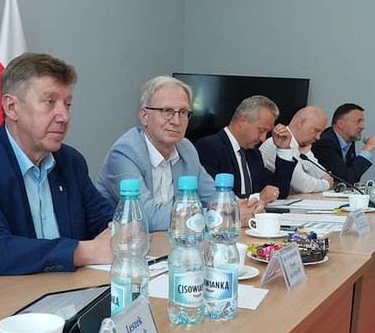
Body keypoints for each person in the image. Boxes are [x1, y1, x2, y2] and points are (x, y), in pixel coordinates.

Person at [0, 52, 115, 284]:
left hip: (63, 290)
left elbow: (107, 221)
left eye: (67, 104)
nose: (64, 116)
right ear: (11, 107)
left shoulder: (70, 162)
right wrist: (85, 251)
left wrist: (123, 230)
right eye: (50, 102)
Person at [96, 76, 263, 231]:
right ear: (144, 116)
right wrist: (222, 215)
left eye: (183, 112)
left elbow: (213, 196)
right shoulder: (125, 153)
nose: (176, 121)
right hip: (127, 245)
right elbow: (146, 217)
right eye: (166, 111)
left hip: (175, 240)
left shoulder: (186, 148)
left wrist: (244, 207)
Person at [195, 95, 296, 203]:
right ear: (242, 121)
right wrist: (257, 198)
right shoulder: (209, 147)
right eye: (261, 130)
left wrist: (283, 149)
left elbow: (277, 193)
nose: (263, 138)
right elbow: (215, 197)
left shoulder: (254, 153)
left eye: (267, 132)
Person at [260, 106, 334, 194]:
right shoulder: (276, 143)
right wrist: (326, 184)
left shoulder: (302, 146)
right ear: (301, 123)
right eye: (316, 131)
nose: (318, 137)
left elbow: (322, 173)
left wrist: (325, 179)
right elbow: (303, 185)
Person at [311, 103, 375, 185]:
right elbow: (346, 180)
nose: (362, 126)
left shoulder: (349, 141)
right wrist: (366, 150)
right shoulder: (325, 143)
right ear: (341, 124)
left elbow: (352, 176)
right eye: (358, 122)